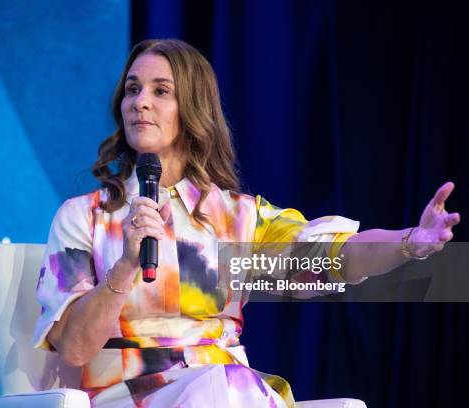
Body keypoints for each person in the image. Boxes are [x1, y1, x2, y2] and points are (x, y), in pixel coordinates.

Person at [31, 39, 460, 407]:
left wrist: (410, 243)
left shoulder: (238, 218)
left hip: (225, 392)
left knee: (224, 386)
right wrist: (124, 267)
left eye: (161, 91)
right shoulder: (85, 216)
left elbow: (336, 257)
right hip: (127, 395)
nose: (140, 101)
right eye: (132, 89)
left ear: (192, 108)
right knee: (222, 387)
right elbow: (73, 347)